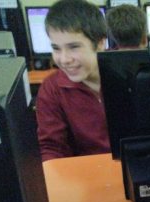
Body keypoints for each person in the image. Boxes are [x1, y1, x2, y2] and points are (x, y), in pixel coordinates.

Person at [36, 0, 110, 161]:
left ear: (100, 43)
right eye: (56, 48)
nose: (64, 59)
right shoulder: (52, 89)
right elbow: (51, 147)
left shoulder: (128, 76)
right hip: (85, 171)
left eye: (74, 47)